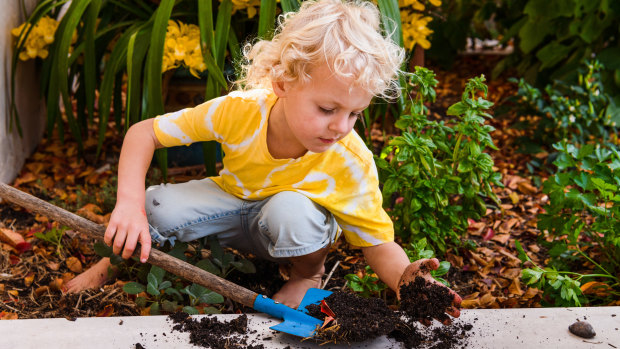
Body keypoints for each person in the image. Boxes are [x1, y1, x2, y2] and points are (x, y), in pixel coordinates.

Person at [64, 0, 461, 320]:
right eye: (327, 108)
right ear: (283, 83)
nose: (341, 126)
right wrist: (129, 205)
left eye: (354, 113)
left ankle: (307, 276)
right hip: (233, 205)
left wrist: (406, 281)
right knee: (154, 205)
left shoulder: (350, 159)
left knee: (291, 208)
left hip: (290, 230)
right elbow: (144, 132)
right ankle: (112, 262)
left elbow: (378, 243)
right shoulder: (240, 111)